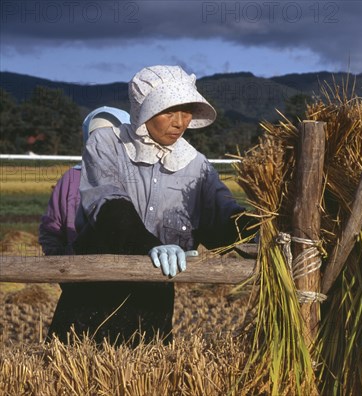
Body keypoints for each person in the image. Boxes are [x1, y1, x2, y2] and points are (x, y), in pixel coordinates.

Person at [47, 65, 256, 346]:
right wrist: (147, 243)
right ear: (143, 109)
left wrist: (259, 229)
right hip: (94, 292)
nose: (180, 122)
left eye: (186, 111)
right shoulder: (107, 143)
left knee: (146, 374)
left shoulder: (196, 166)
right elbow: (108, 203)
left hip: (152, 300)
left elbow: (223, 221)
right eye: (169, 111)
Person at [39, 107, 130, 255]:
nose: (102, 144)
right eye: (96, 137)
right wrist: (61, 263)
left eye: (111, 137)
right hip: (78, 271)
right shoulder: (71, 178)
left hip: (130, 270)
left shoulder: (138, 177)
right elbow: (51, 228)